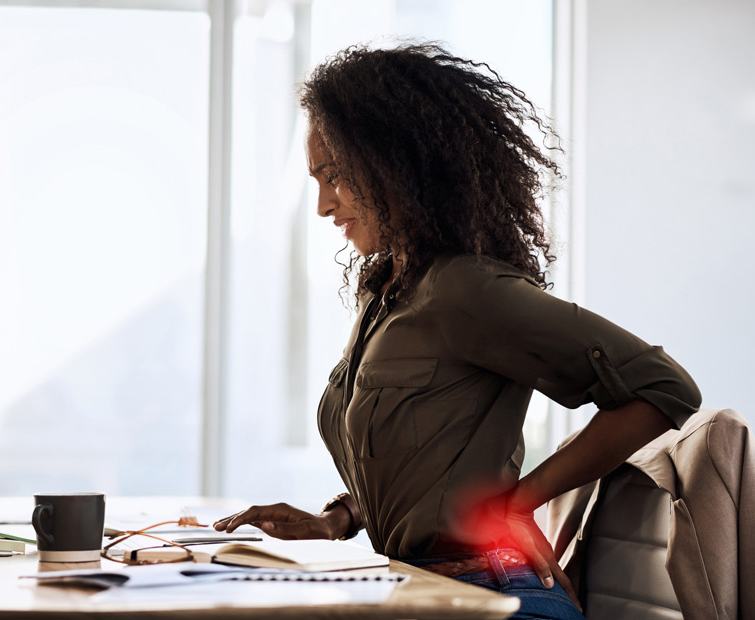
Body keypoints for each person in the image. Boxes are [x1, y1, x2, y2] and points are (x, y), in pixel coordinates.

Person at [214, 42, 701, 620]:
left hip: (494, 596)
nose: (323, 205)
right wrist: (336, 520)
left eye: (335, 176)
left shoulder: (464, 290)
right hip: (423, 592)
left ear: (395, 164)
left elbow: (663, 386)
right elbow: (428, 463)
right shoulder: (386, 295)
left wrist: (514, 506)